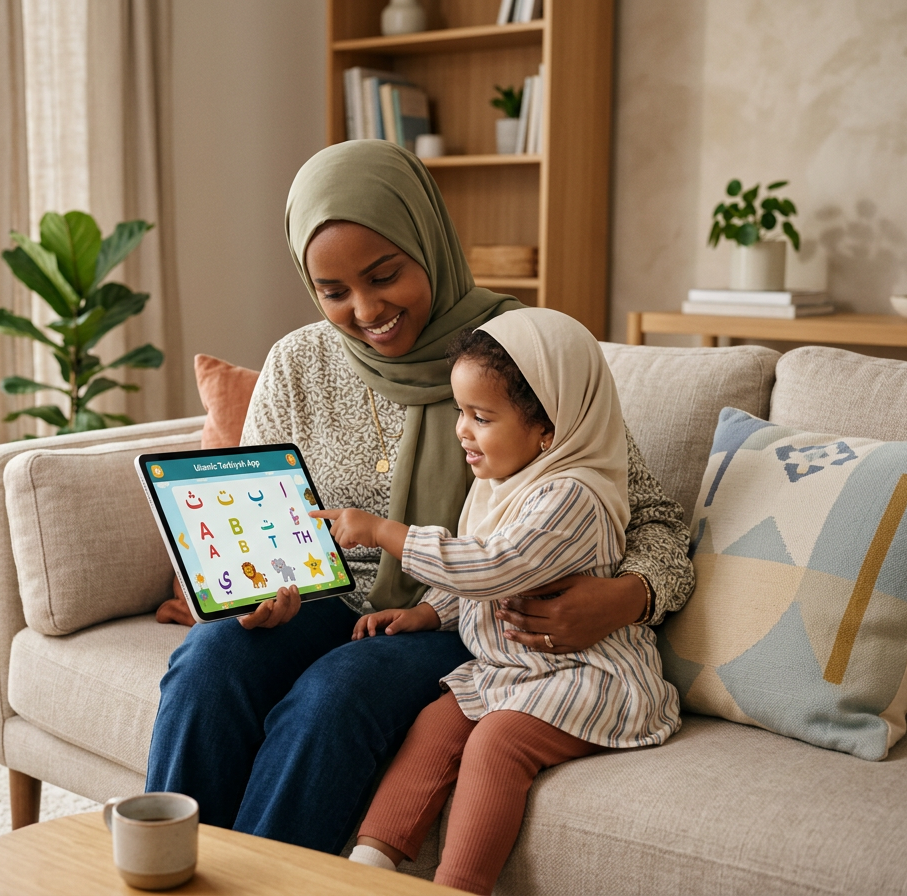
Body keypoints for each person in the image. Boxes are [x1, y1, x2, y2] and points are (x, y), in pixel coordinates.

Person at [145, 140, 693, 855]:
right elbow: (268, 520)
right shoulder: (296, 363)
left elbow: (647, 516)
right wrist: (266, 585)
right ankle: (167, 869)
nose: (366, 309)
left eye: (384, 275)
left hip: (452, 619)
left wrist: (630, 596)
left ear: (426, 240)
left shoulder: (519, 358)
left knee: (335, 695)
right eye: (333, 291)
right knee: (210, 659)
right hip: (322, 599)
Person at [316, 309, 679, 895]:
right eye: (461, 412)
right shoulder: (500, 483)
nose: (462, 429)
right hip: (514, 673)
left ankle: (458, 886)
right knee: (436, 722)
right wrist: (430, 612)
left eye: (481, 417)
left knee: (496, 742)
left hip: (589, 675)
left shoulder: (574, 495)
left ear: (549, 431)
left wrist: (388, 533)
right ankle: (369, 867)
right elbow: (482, 571)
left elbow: (495, 566)